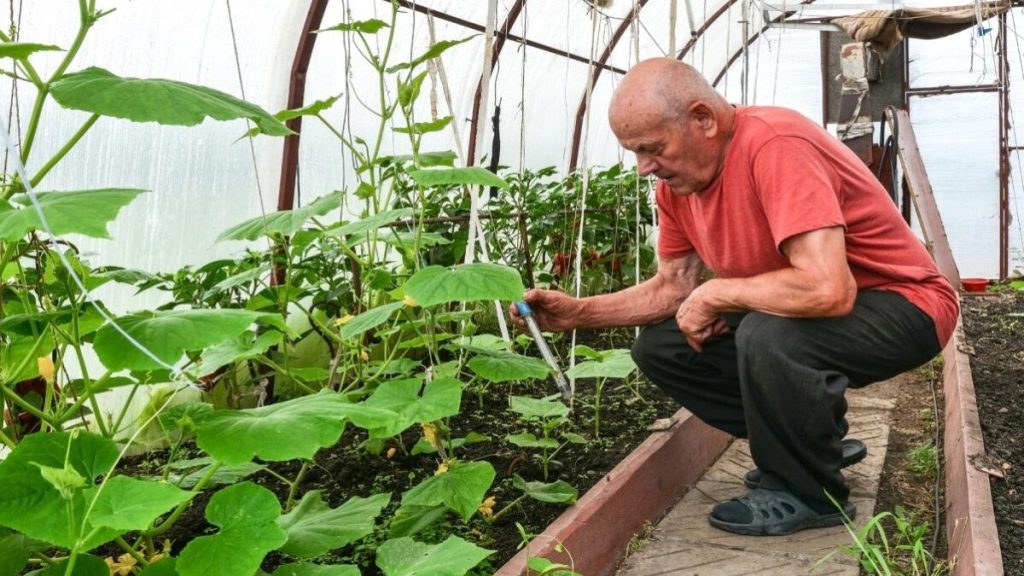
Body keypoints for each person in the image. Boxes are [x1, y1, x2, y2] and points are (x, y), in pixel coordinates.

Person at [509, 57, 958, 536]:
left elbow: (828, 288)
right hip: (812, 310)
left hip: (906, 304)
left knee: (770, 335)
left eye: (652, 148)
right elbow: (673, 287)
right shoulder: (679, 187)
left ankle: (808, 493)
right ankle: (809, 444)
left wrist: (720, 292)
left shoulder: (774, 145)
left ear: (703, 119)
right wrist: (578, 313)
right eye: (634, 153)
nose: (644, 168)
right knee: (664, 347)